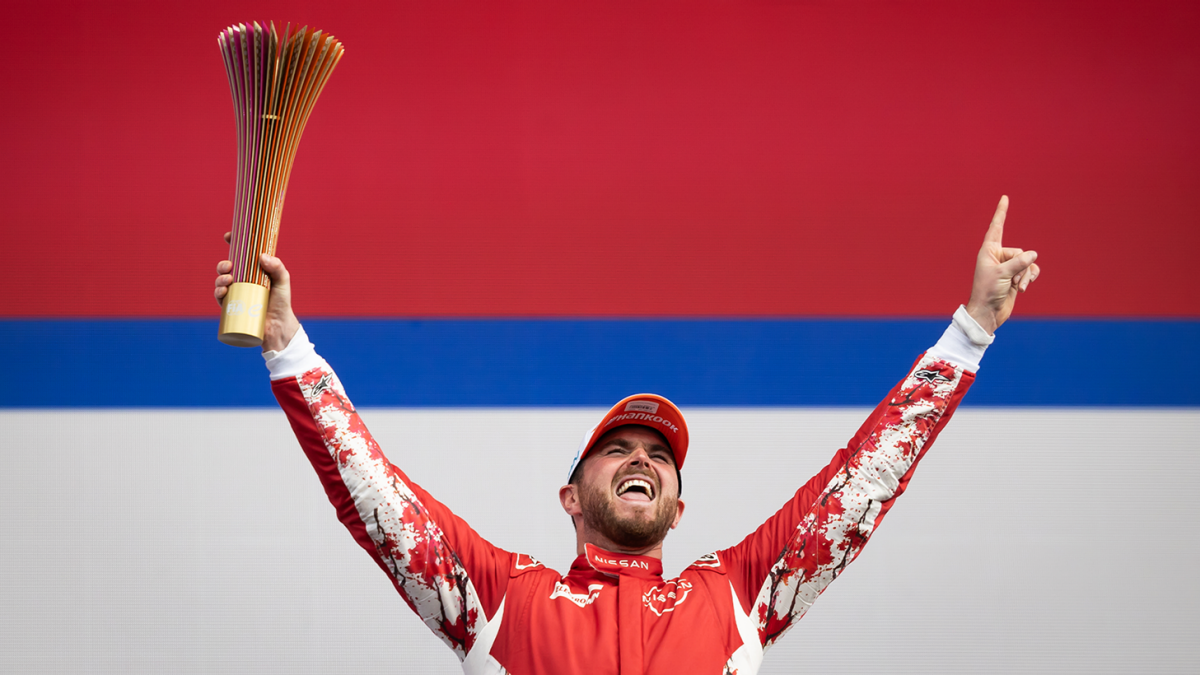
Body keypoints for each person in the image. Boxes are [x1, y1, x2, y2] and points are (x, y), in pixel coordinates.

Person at [214, 197, 1039, 674]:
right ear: (571, 496)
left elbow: (859, 483)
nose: (644, 457)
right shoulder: (505, 599)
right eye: (619, 447)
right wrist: (288, 343)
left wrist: (968, 334)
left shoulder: (736, 598)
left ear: (679, 509)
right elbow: (374, 497)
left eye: (660, 456)